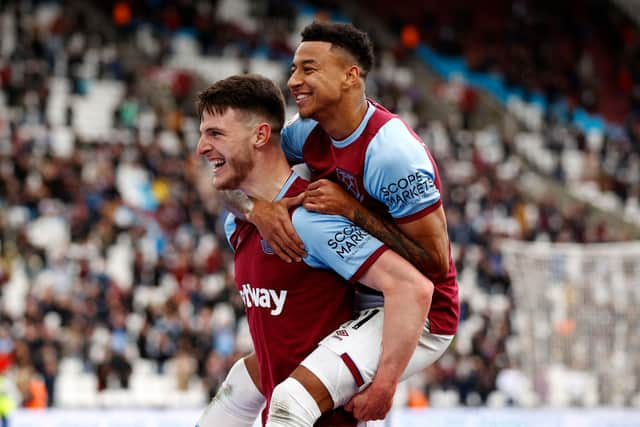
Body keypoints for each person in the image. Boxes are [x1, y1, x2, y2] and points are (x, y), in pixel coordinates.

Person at [225, 21, 460, 424]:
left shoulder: (391, 154)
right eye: (294, 69)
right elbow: (230, 170)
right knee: (242, 386)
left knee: (288, 403)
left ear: (351, 76)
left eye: (308, 69)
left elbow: (434, 265)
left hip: (416, 312)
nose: (293, 80)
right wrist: (254, 209)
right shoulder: (307, 134)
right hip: (355, 299)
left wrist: (353, 211)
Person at [194, 74, 435, 427]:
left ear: (261, 135)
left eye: (215, 134)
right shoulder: (241, 220)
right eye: (202, 134)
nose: (201, 147)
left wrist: (384, 386)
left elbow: (413, 288)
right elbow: (282, 345)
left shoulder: (310, 217)